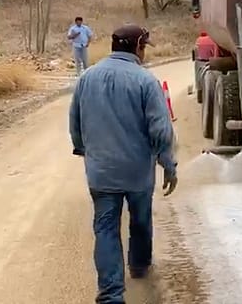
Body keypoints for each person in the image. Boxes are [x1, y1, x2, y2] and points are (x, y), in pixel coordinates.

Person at [69, 23, 178, 304]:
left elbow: (75, 122)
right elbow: (161, 130)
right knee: (140, 220)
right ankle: (139, 265)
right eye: (144, 47)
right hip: (138, 171)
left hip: (101, 172)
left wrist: (84, 150)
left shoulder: (87, 78)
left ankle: (111, 295)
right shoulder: (146, 81)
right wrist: (168, 164)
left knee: (105, 228)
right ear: (138, 47)